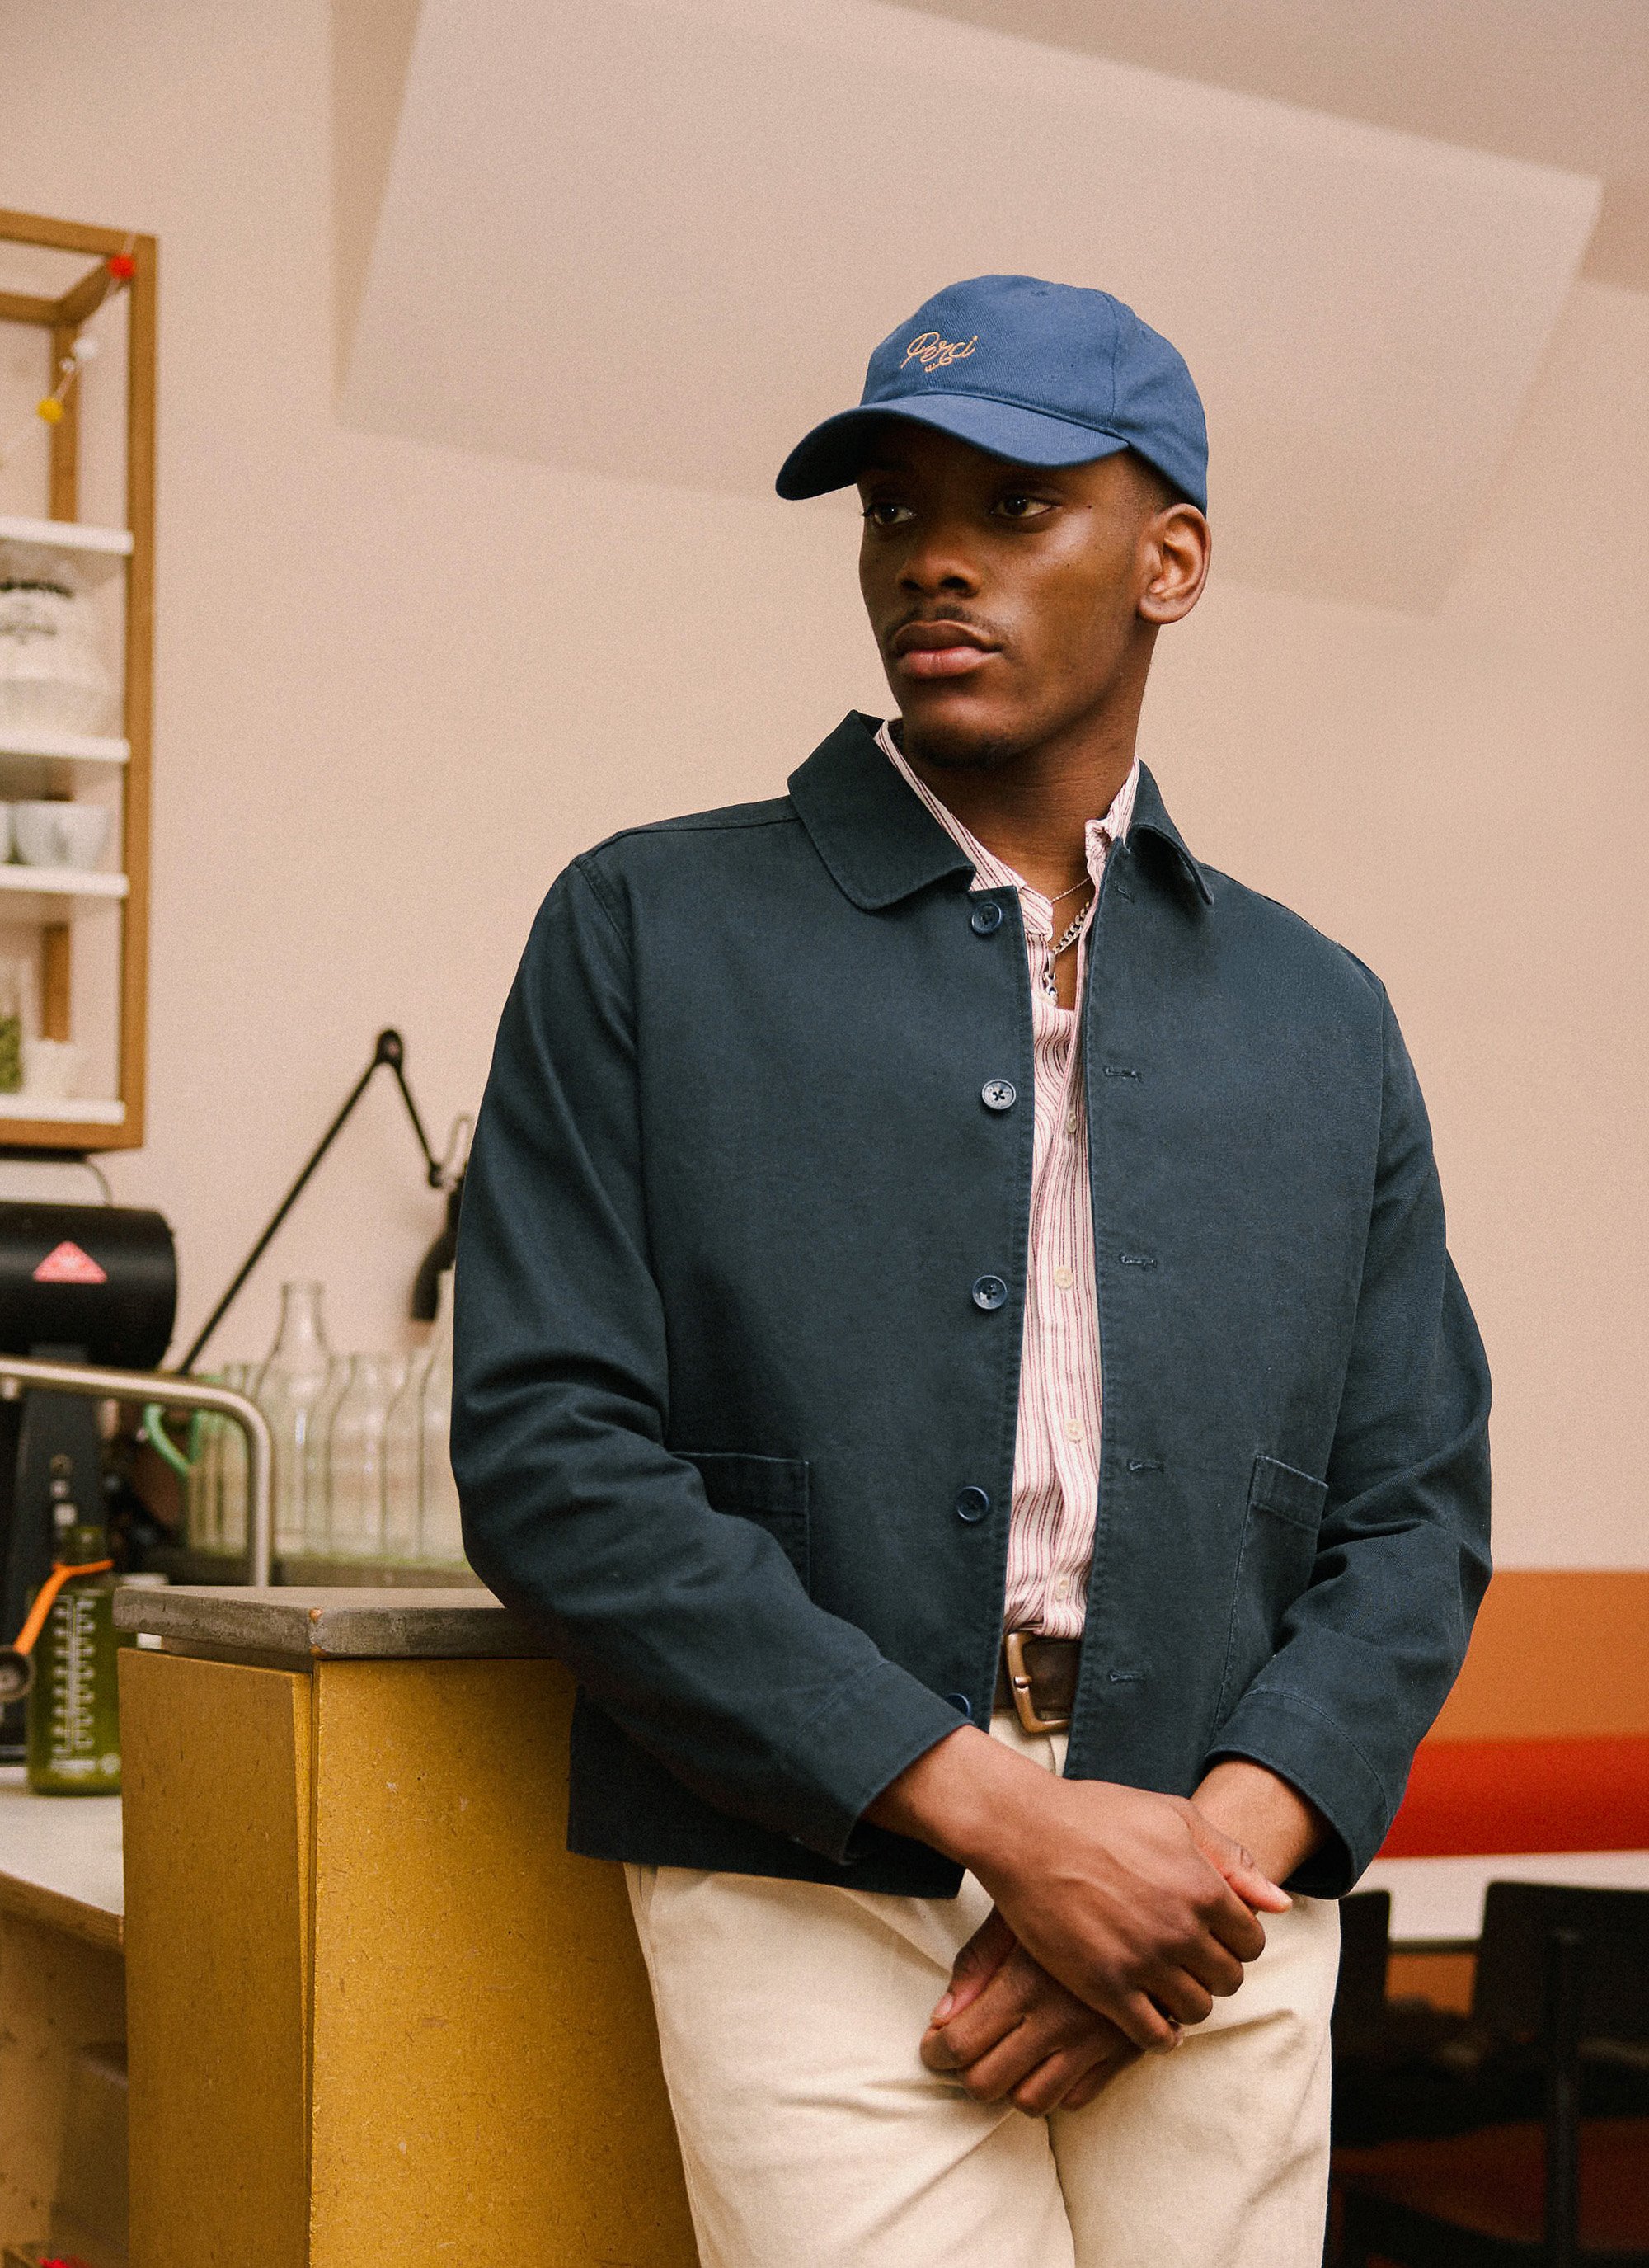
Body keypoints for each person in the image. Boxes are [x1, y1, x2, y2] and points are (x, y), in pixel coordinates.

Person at [452, 273, 1492, 2268]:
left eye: (1016, 506)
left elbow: (1412, 1509)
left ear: (1169, 557)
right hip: (806, 1870)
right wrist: (1013, 1828)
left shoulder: (1320, 1013)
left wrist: (1199, 1863)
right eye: (890, 505)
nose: (933, 555)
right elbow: (547, 1462)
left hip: (1222, 1881)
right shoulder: (647, 927)